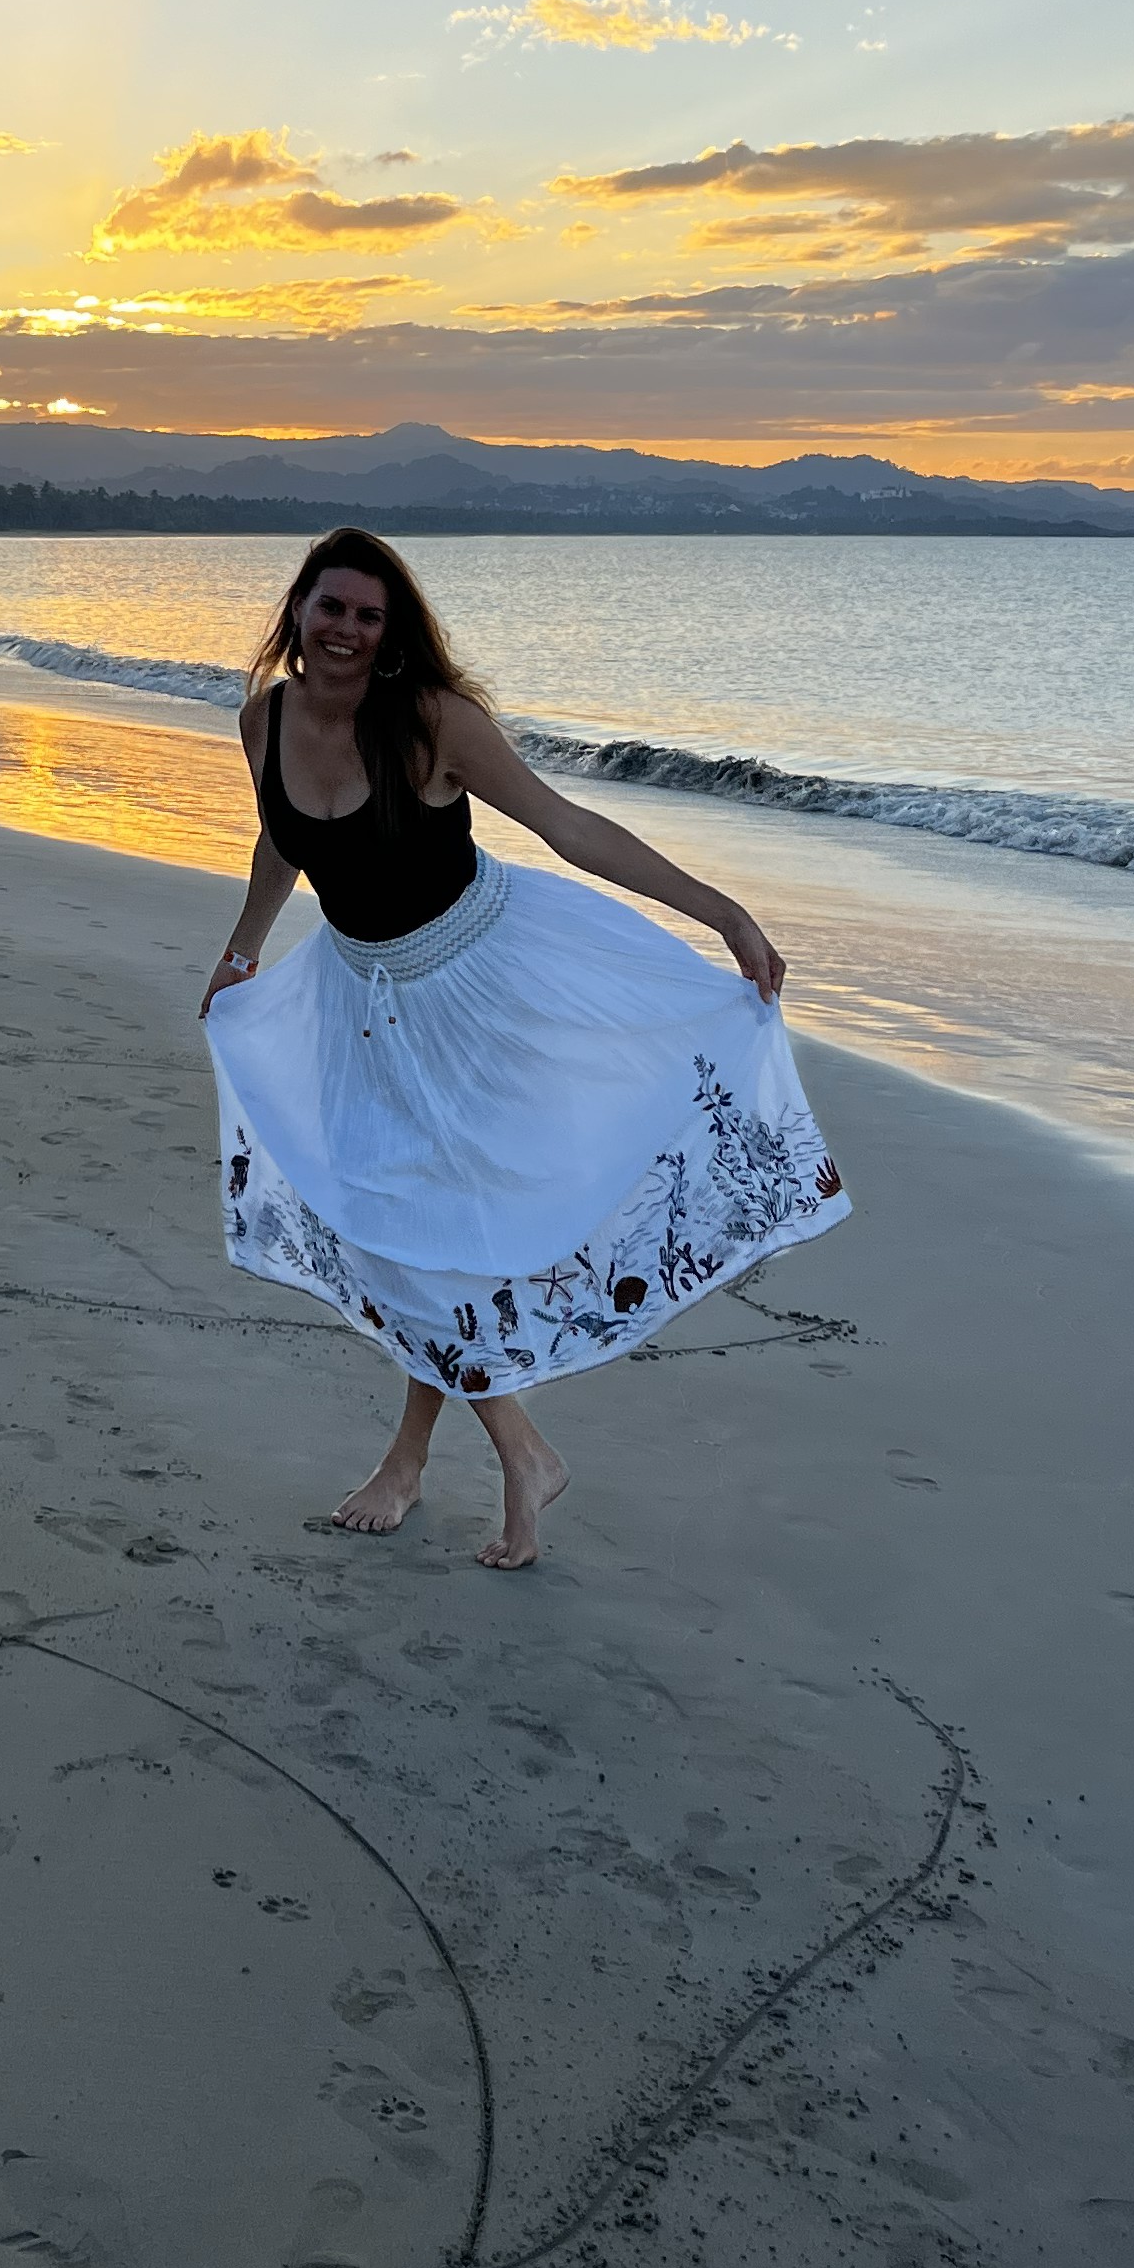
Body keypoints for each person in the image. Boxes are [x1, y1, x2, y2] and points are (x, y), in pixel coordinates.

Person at [200, 528, 846, 1568]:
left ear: (390, 629)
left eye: (370, 616)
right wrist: (242, 949)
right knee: (397, 1224)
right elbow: (284, 837)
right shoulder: (262, 720)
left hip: (478, 995)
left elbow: (567, 824)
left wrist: (723, 914)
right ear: (299, 611)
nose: (348, 632)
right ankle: (446, 1460)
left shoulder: (432, 725)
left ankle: (508, 1453)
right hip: (358, 993)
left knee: (431, 1228)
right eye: (332, 609)